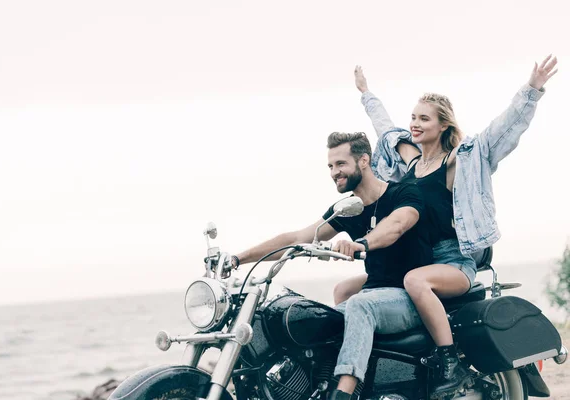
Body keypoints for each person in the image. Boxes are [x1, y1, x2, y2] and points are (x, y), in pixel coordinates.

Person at [333, 55, 558, 397]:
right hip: (417, 260)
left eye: (424, 118)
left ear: (443, 126)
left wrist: (531, 90)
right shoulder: (410, 166)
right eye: (413, 117)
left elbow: (501, 133)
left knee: (414, 280)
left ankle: (448, 360)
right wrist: (367, 95)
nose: (415, 123)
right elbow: (385, 130)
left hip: (453, 261)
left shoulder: (458, 162)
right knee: (347, 290)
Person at [232, 132, 432, 400]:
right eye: (330, 166)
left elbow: (396, 225)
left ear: (363, 161)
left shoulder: (403, 193)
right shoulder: (348, 208)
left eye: (340, 164)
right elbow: (297, 238)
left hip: (410, 296)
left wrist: (362, 243)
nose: (334, 172)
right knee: (323, 321)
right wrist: (238, 259)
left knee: (360, 305)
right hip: (376, 295)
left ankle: (344, 394)